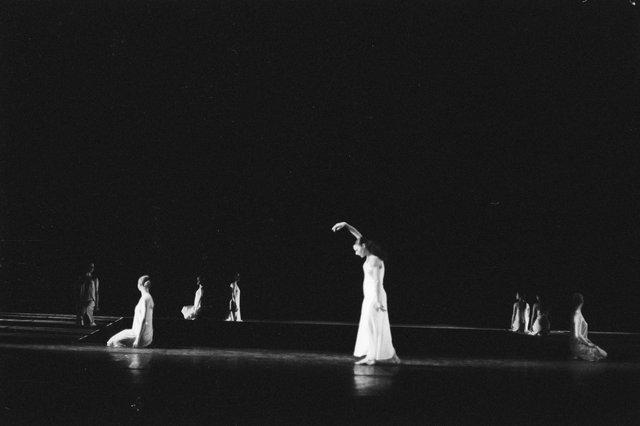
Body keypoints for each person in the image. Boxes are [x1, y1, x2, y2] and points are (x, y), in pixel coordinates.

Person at [332, 221, 399, 365]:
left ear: (363, 246)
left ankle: (372, 356)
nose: (355, 252)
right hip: (370, 296)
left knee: (372, 324)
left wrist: (378, 300)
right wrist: (346, 225)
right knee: (375, 324)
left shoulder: (374, 259)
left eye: (355, 249)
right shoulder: (369, 254)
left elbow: (377, 282)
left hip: (375, 296)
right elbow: (359, 236)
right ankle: (391, 354)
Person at [107, 275, 154, 348]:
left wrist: (137, 340)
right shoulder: (146, 297)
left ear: (139, 285)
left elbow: (144, 320)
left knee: (112, 342)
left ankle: (127, 355)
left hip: (140, 335)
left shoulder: (145, 298)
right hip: (137, 331)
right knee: (112, 340)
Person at [569, 293, 607, 361]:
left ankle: (577, 354)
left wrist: (588, 342)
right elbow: (577, 335)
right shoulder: (577, 315)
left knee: (602, 352)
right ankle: (577, 354)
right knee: (603, 354)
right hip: (578, 346)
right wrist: (587, 344)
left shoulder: (578, 313)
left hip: (580, 343)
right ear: (582, 302)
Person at [76, 262, 99, 327]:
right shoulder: (81, 278)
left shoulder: (94, 279)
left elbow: (97, 292)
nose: (92, 268)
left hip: (90, 300)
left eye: (93, 267)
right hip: (82, 300)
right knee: (80, 319)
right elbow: (78, 290)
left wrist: (96, 304)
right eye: (90, 267)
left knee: (88, 318)